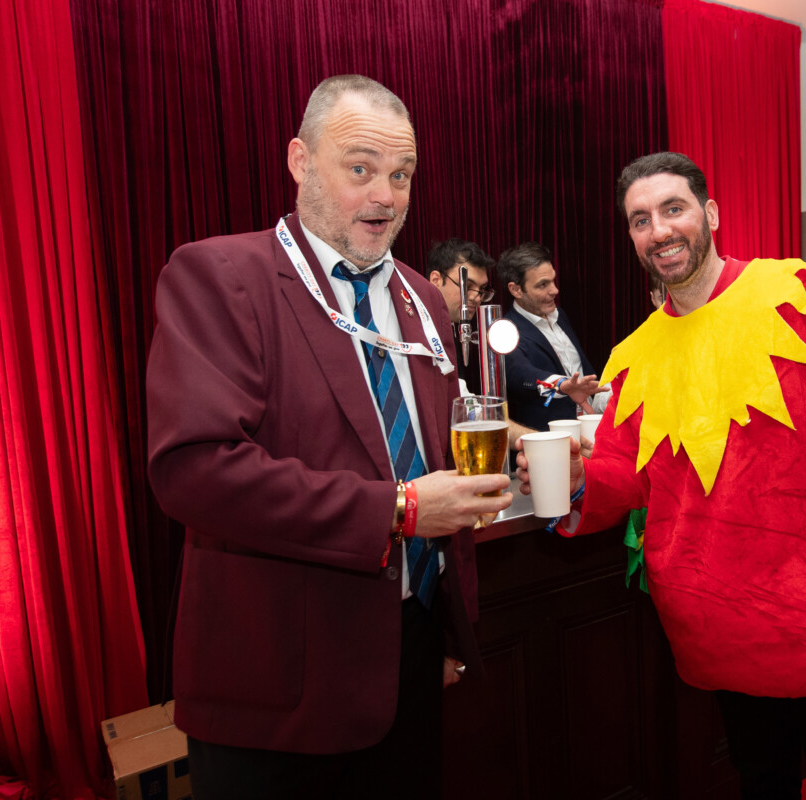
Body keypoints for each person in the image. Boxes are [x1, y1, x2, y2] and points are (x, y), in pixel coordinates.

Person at [517, 151, 806, 798]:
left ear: (711, 214)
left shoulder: (803, 294)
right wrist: (575, 479)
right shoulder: (636, 353)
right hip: (717, 625)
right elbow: (624, 474)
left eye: (673, 209)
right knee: (761, 782)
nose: (660, 230)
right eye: (640, 219)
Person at [146, 74, 512, 799]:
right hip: (279, 684)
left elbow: (423, 450)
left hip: (408, 657)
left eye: (401, 175)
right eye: (360, 169)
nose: (385, 195)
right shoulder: (221, 275)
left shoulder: (419, 299)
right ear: (300, 161)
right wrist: (398, 510)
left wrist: (442, 630)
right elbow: (195, 472)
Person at [426, 237, 534, 447]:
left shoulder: (451, 327)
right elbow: (468, 410)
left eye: (481, 289)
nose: (475, 297)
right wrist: (533, 440)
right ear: (436, 280)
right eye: (468, 286)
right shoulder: (420, 330)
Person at [498, 241, 608, 430]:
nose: (555, 290)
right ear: (516, 290)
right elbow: (519, 373)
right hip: (550, 436)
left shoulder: (560, 315)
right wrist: (561, 384)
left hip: (591, 426)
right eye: (543, 285)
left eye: (553, 281)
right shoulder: (506, 330)